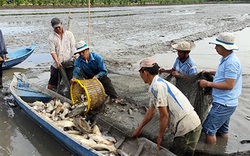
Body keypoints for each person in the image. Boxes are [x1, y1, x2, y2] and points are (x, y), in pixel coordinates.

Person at [132, 57, 201, 156]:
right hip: (188, 125)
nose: (140, 75)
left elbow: (164, 115)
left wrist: (160, 136)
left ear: (145, 72)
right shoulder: (156, 85)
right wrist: (139, 129)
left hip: (187, 127)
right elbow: (151, 111)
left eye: (140, 73)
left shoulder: (158, 86)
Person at [199, 32, 242, 145]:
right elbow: (224, 75)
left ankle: (211, 150)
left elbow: (229, 85)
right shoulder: (226, 59)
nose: (215, 48)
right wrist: (210, 71)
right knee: (223, 130)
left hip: (223, 104)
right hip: (228, 103)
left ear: (225, 47)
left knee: (208, 130)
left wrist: (208, 84)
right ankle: (223, 148)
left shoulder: (231, 63)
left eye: (217, 46)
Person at [48, 17, 76, 91]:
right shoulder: (51, 37)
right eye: (55, 28)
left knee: (72, 81)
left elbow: (73, 47)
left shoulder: (69, 34)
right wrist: (57, 61)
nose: (58, 29)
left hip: (69, 61)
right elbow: (52, 51)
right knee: (52, 84)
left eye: (59, 27)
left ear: (61, 24)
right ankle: (50, 96)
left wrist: (75, 55)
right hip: (57, 63)